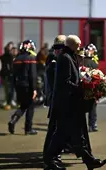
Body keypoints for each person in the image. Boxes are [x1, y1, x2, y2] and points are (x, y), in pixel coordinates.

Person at [44, 35, 106, 170]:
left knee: (75, 135)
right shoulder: (65, 58)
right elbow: (65, 82)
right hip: (66, 104)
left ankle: (89, 161)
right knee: (62, 134)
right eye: (78, 45)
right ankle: (50, 160)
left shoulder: (69, 56)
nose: (80, 48)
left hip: (70, 104)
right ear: (71, 45)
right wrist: (82, 88)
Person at [43, 35, 66, 163]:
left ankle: (53, 154)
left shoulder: (54, 59)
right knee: (54, 129)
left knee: (55, 128)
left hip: (55, 99)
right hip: (56, 100)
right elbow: (55, 84)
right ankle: (51, 156)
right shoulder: (53, 61)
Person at [8, 40, 38, 135]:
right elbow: (32, 75)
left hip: (19, 86)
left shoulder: (16, 59)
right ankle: (28, 128)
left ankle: (13, 120)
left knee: (23, 105)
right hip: (28, 86)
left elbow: (13, 74)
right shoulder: (31, 58)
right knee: (30, 107)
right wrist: (34, 89)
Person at [84, 44, 99, 132]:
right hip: (91, 88)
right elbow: (97, 78)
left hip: (83, 87)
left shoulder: (80, 61)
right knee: (92, 108)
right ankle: (92, 125)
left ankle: (84, 126)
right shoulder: (94, 63)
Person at [1, 42, 16, 110]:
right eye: (9, 47)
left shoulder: (14, 57)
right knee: (7, 89)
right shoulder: (4, 57)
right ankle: (7, 101)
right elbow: (4, 66)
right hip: (6, 75)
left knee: (12, 89)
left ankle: (11, 100)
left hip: (13, 75)